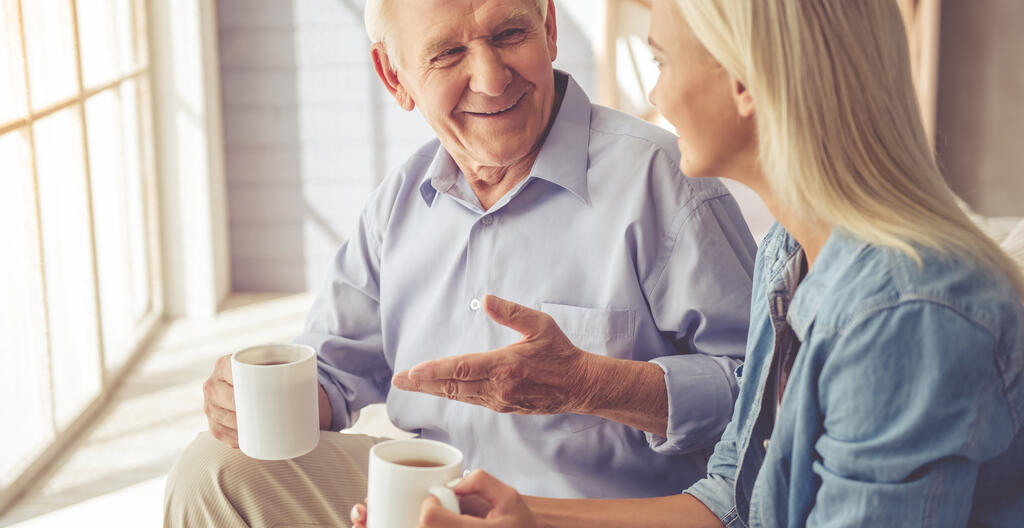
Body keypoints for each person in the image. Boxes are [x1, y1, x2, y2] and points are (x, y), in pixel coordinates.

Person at [352, 0, 1024, 526]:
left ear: (742, 83)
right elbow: (734, 502)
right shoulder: (790, 257)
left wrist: (592, 387)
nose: (656, 99)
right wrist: (517, 516)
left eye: (661, 62)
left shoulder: (905, 317)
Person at [163, 0, 758, 525]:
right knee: (213, 471)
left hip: (585, 515)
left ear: (549, 27)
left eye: (509, 36)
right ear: (395, 76)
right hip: (431, 497)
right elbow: (333, 372)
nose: (492, 80)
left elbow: (768, 398)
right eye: (448, 53)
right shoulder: (398, 202)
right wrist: (253, 401)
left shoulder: (666, 181)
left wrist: (591, 385)